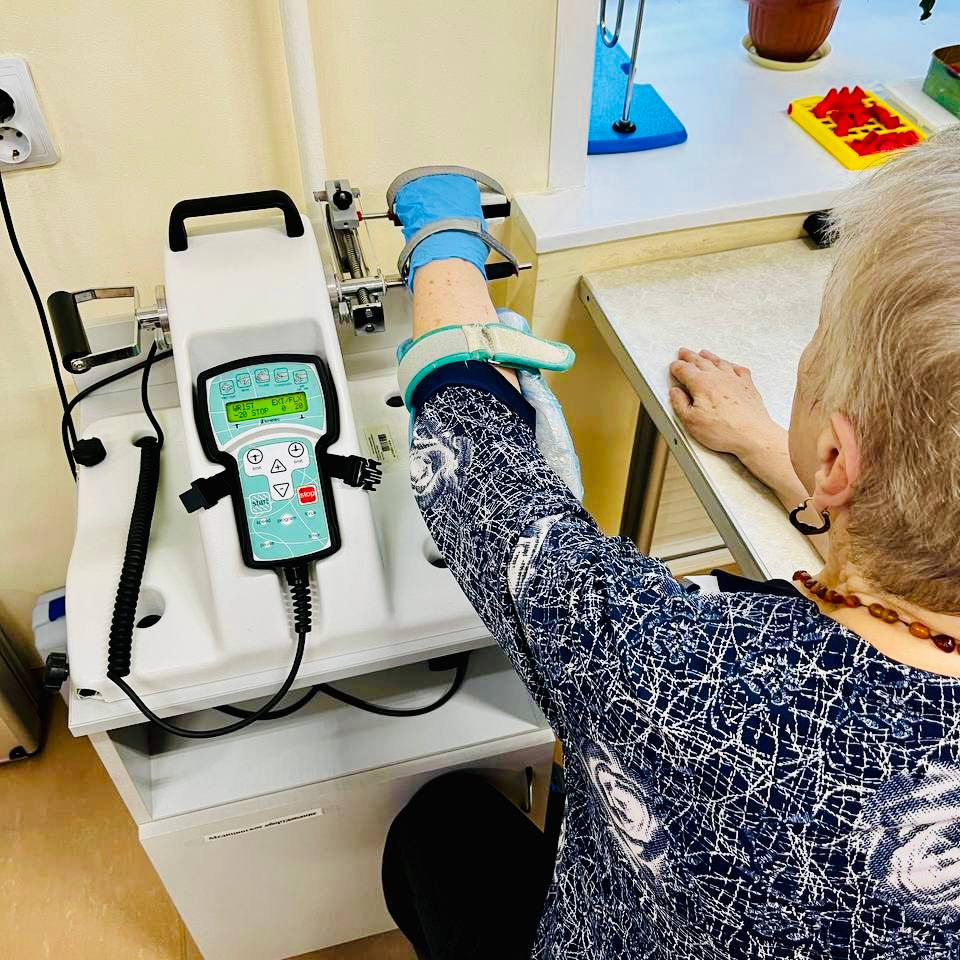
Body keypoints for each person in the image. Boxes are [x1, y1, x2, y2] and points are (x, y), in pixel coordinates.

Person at [381, 127, 960, 960]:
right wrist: (774, 450)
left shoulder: (679, 671)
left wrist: (441, 235)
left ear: (838, 458)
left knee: (434, 832)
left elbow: (476, 466)